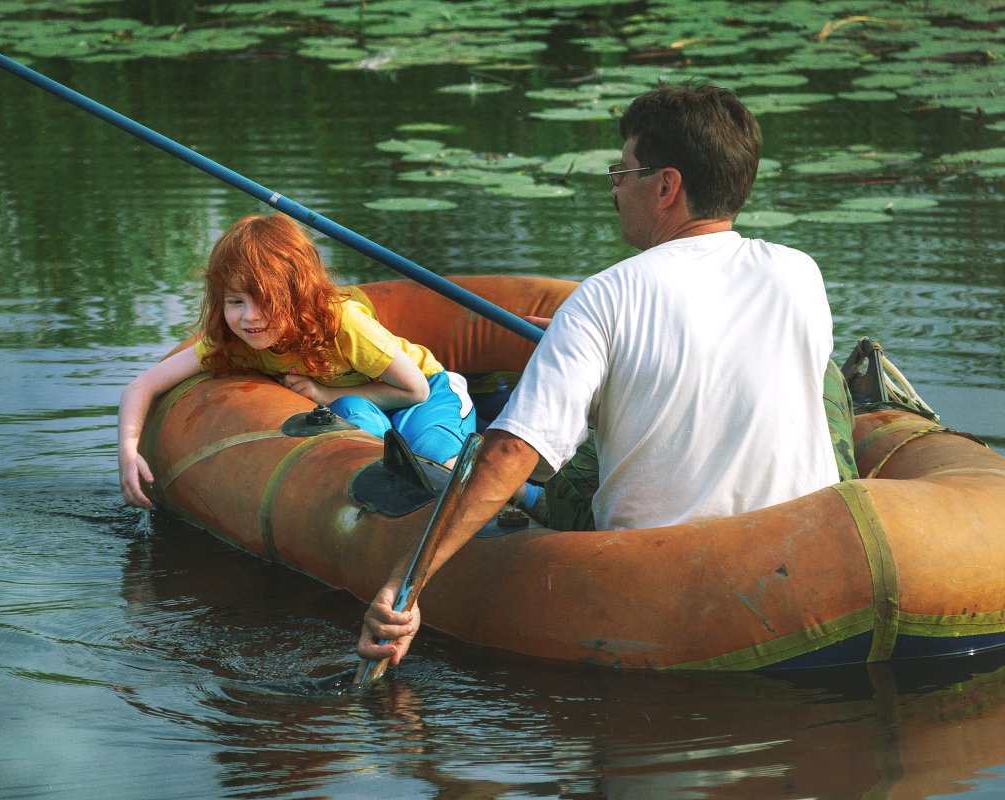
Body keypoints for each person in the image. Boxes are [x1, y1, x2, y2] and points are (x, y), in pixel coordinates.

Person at [358, 81, 846, 669]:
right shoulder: (801, 275)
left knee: (519, 463)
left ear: (666, 186)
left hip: (654, 584)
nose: (615, 188)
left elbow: (514, 451)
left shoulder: (605, 298)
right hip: (807, 578)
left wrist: (404, 584)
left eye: (623, 171)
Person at [117, 212, 480, 509]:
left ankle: (525, 496)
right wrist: (128, 454)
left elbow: (414, 390)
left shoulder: (344, 323)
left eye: (266, 301)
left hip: (429, 389)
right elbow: (142, 385)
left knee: (428, 454)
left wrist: (321, 394)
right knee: (360, 433)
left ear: (298, 294)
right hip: (362, 400)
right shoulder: (236, 341)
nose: (250, 317)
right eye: (235, 301)